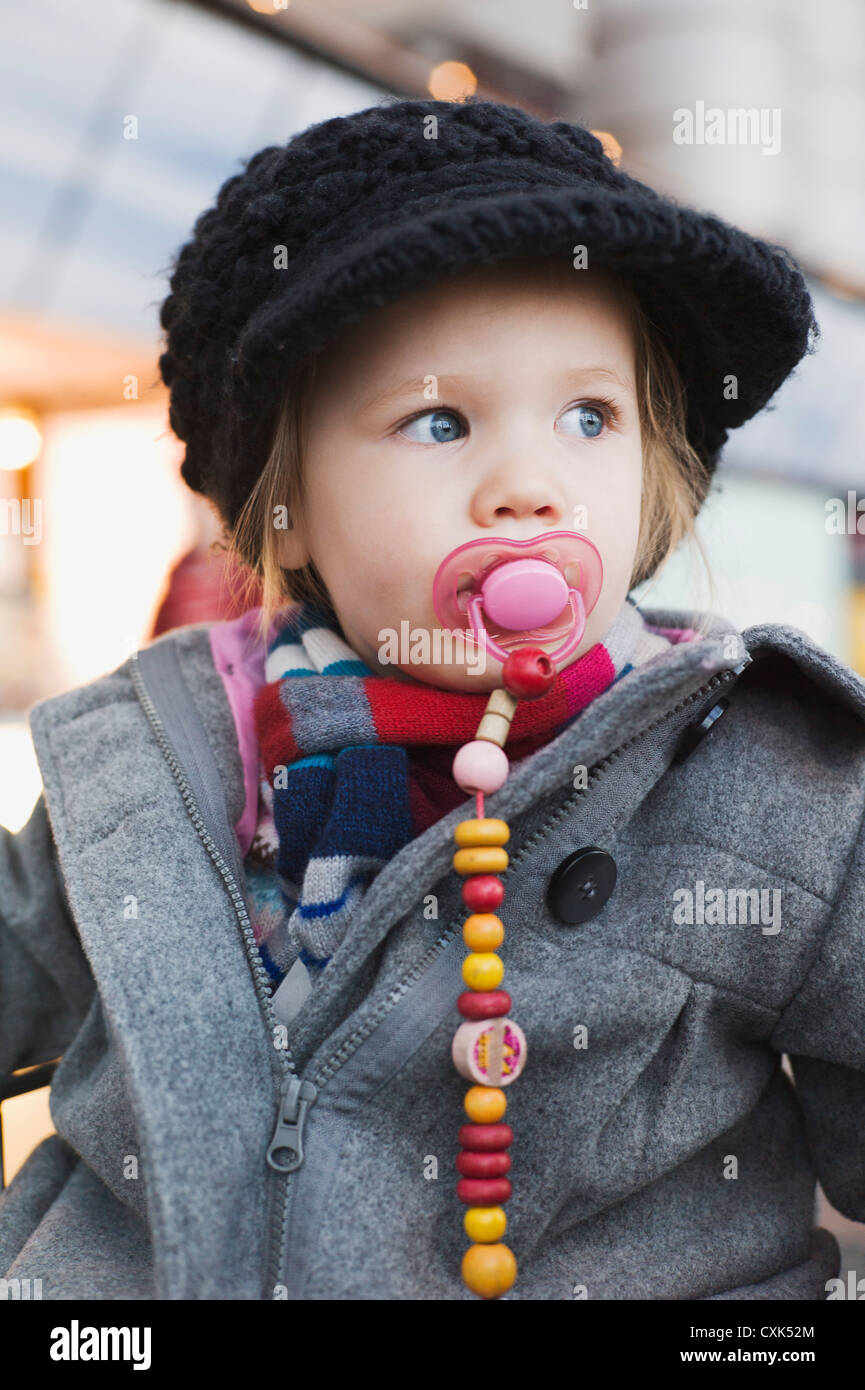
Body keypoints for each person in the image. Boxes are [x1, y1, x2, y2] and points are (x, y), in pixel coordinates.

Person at [2, 97, 864, 1301]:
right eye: (439, 419)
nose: (528, 483)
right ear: (285, 495)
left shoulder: (766, 777)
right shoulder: (162, 758)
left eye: (587, 416)